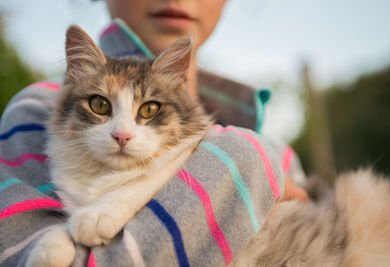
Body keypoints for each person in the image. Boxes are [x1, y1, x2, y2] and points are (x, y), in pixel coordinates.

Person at [0, 0, 307, 266]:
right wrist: (245, 165)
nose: (122, 133)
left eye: (148, 110)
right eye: (99, 104)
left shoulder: (282, 151)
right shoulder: (34, 111)